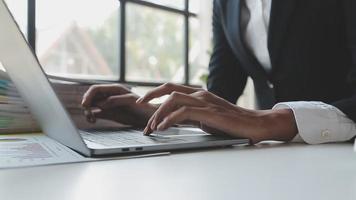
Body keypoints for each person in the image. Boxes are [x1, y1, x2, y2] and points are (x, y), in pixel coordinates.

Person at [81, 0, 356, 144]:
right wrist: (144, 110)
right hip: (275, 154)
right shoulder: (225, 3)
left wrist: (272, 121)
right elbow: (218, 97)